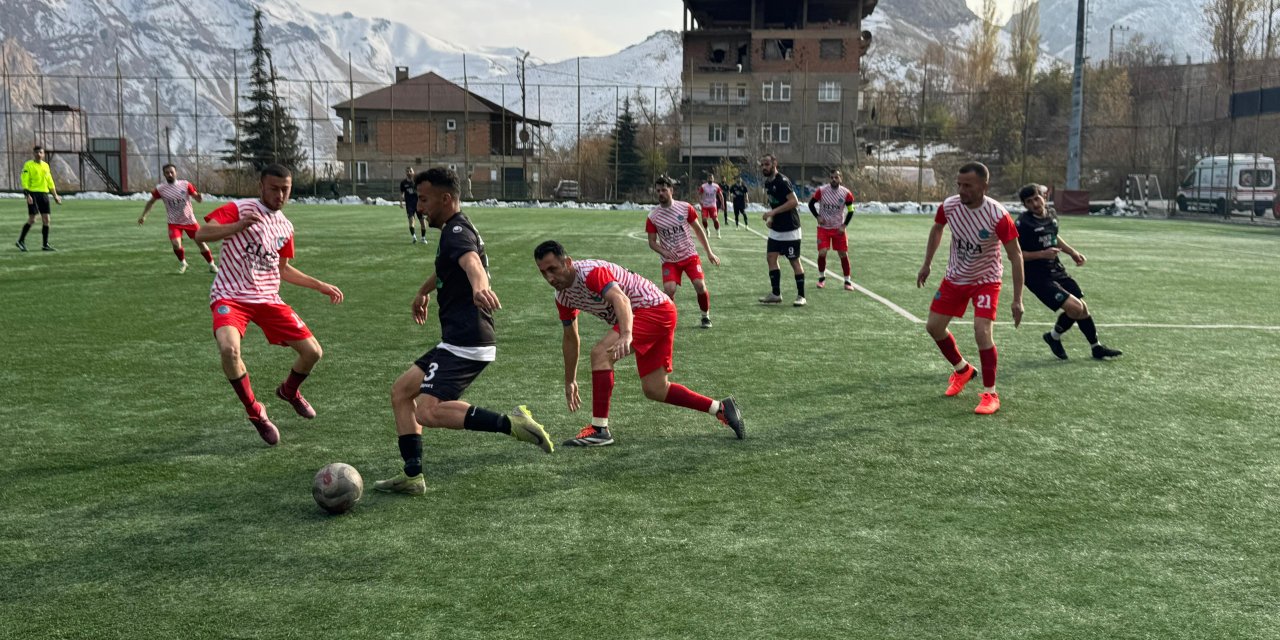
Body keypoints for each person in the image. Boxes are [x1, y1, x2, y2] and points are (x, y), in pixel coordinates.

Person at [375, 167, 553, 496]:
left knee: (427, 410)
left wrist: (479, 288)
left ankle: (513, 424)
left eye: (425, 200)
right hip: (458, 338)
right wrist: (423, 290)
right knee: (402, 392)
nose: (420, 207)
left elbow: (471, 263)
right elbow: (449, 265)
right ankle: (413, 475)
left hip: (466, 340)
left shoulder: (456, 232)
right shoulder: (456, 229)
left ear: (446, 198)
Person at [534, 240, 744, 447]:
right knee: (655, 389)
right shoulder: (562, 297)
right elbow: (570, 338)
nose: (550, 277)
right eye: (544, 273)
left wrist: (626, 334)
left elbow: (621, 299)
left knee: (600, 354)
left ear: (568, 262)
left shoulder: (590, 273)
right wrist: (570, 380)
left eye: (553, 269)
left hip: (653, 309)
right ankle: (720, 408)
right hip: (656, 312)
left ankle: (599, 430)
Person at [195, 164, 344, 445]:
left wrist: (320, 285)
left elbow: (284, 269)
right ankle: (255, 412)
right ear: (261, 186)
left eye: (285, 189)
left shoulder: (285, 226)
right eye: (274, 188)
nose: (280, 194)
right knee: (229, 350)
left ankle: (289, 391)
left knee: (312, 352)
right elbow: (201, 234)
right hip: (230, 296)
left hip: (267, 299)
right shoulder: (239, 209)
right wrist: (237, 227)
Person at [916, 162, 1025, 415]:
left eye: (968, 186)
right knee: (934, 327)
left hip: (986, 280)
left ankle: (990, 394)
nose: (962, 190)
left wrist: (1017, 299)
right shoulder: (950, 206)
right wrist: (927, 263)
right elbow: (937, 228)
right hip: (955, 277)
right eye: (959, 185)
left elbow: (1016, 255)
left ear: (984, 186)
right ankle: (963, 370)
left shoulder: (998, 215)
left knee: (982, 331)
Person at [1016, 183, 1123, 361]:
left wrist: (1072, 252)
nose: (1035, 203)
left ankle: (1096, 347)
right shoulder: (1023, 223)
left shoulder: (1050, 214)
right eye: (1029, 201)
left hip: (1055, 269)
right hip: (1037, 277)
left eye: (1036, 198)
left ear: (1044, 196)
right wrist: (1041, 254)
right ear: (1025, 205)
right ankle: (1053, 336)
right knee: (1076, 308)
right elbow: (1017, 255)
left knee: (1082, 308)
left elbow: (1053, 237)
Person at [646, 175, 720, 328]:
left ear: (671, 190)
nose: (660, 193)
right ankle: (668, 319)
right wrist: (664, 252)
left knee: (700, 285)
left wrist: (709, 252)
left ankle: (705, 316)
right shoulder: (653, 216)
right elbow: (652, 243)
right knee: (669, 290)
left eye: (664, 190)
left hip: (689, 256)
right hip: (670, 260)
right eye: (658, 191)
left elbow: (699, 231)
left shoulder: (685, 208)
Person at [138, 164, 217, 273]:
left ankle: (212, 265)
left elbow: (197, 199)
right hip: (173, 222)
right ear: (164, 174)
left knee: (201, 243)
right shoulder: (161, 189)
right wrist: (144, 216)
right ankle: (183, 263)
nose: (170, 174)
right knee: (175, 244)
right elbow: (151, 202)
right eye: (167, 173)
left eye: (171, 172)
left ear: (176, 173)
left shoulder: (185, 184)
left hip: (189, 221)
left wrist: (199, 197)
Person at [758, 154, 806, 306]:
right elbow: (774, 205)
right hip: (776, 230)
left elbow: (794, 202)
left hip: (790, 229)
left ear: (774, 164)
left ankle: (801, 296)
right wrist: (772, 219)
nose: (764, 167)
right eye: (762, 165)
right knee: (771, 258)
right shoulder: (768, 183)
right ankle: (776, 294)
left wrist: (772, 213)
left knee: (794, 261)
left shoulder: (782, 181)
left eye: (767, 164)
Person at [807, 169, 856, 291]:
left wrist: (844, 225)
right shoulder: (822, 191)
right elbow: (810, 204)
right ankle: (821, 278)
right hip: (823, 228)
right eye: (832, 177)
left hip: (838, 229)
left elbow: (851, 210)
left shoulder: (846, 193)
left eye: (836, 177)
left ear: (841, 178)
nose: (834, 180)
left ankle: (847, 281)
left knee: (843, 254)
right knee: (822, 252)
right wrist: (817, 216)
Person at [16, 145, 62, 252]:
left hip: (44, 195)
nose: (38, 154)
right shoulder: (28, 165)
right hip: (33, 194)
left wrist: (55, 196)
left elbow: (50, 181)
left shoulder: (46, 166)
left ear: (43, 154)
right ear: (34, 154)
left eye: (41, 152)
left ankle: (45, 244)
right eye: (36, 152)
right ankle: (20, 241)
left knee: (46, 220)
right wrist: (27, 195)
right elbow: (25, 180)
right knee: (32, 219)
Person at [399, 166, 427, 244]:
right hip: (410, 205)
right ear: (406, 173)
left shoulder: (417, 182)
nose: (409, 173)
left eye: (410, 171)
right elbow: (401, 193)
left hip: (419, 205)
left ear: (413, 172)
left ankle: (423, 238)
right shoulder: (403, 183)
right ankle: (414, 237)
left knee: (423, 222)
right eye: (407, 171)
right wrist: (401, 203)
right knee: (411, 222)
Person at [697, 174, 723, 239]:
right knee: (704, 220)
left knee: (715, 220)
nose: (710, 179)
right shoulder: (703, 186)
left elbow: (720, 195)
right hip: (705, 206)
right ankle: (707, 230)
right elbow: (699, 195)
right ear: (707, 179)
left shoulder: (716, 186)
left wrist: (723, 204)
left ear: (713, 179)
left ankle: (718, 233)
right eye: (709, 178)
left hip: (712, 205)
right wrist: (700, 202)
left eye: (711, 178)